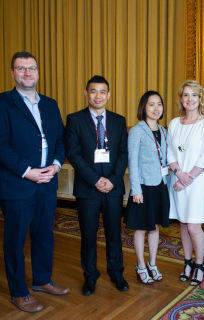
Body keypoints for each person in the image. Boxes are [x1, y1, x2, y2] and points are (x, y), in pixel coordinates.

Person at [0, 51, 69, 313]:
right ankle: (19, 292)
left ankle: (43, 280)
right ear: (12, 73)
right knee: (16, 240)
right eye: (21, 68)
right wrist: (27, 171)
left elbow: (60, 140)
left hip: (47, 182)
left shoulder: (51, 104)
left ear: (38, 72)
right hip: (18, 184)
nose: (27, 73)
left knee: (44, 235)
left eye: (31, 68)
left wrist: (55, 165)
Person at [65, 75, 129, 295]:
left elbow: (123, 154)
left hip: (113, 189)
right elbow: (73, 154)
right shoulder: (74, 119)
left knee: (114, 233)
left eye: (102, 92)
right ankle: (90, 276)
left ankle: (117, 273)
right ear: (86, 93)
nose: (98, 96)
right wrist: (95, 180)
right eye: (93, 91)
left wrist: (111, 180)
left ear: (109, 95)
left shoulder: (119, 121)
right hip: (87, 189)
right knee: (88, 235)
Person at [167, 80, 204, 286]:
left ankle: (199, 264)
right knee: (183, 223)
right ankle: (187, 262)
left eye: (194, 95)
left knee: (194, 225)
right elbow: (169, 152)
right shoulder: (174, 123)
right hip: (177, 179)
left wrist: (187, 178)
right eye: (186, 95)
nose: (190, 99)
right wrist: (178, 173)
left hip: (197, 181)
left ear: (200, 99)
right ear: (181, 99)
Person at [126, 91, 170, 285]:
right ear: (144, 107)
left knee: (155, 227)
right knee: (141, 228)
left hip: (160, 185)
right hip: (143, 187)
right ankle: (141, 265)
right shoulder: (136, 131)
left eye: (159, 104)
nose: (155, 108)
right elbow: (132, 162)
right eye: (151, 104)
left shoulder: (164, 131)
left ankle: (153, 264)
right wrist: (136, 189)